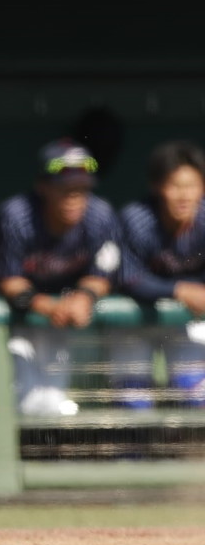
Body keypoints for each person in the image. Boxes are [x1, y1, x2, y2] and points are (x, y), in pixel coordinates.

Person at [0, 138, 122, 416]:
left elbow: (103, 272)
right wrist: (47, 305)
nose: (74, 197)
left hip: (75, 315)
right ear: (43, 187)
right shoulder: (17, 216)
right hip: (22, 317)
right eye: (65, 189)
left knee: (70, 403)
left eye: (81, 189)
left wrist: (84, 297)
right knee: (25, 403)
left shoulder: (100, 216)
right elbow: (8, 279)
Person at [115, 140, 205, 407]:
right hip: (135, 321)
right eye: (175, 186)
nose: (184, 196)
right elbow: (127, 277)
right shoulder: (136, 219)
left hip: (187, 321)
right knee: (133, 404)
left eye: (191, 186)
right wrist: (180, 290)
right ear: (157, 187)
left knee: (199, 395)